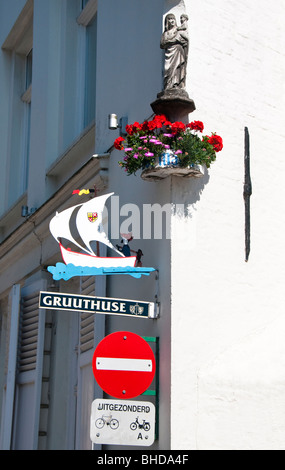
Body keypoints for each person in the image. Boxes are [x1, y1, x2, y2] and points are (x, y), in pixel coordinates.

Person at [160, 13, 188, 90]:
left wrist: (171, 41)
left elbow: (185, 40)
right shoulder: (165, 33)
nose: (171, 21)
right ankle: (168, 85)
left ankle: (176, 84)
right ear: (166, 22)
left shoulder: (178, 30)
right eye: (169, 19)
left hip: (178, 52)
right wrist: (174, 40)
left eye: (173, 19)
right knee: (167, 69)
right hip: (169, 54)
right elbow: (162, 44)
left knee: (177, 68)